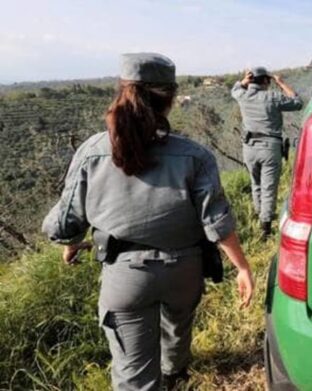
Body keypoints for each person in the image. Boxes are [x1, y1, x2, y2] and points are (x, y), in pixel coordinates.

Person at [41, 52, 255, 391]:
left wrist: (70, 242)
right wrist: (242, 267)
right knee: (178, 325)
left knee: (134, 375)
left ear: (121, 92)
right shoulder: (195, 155)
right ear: (168, 100)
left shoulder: (93, 151)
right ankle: (175, 373)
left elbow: (65, 221)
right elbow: (217, 221)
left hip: (126, 277)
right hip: (185, 268)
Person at [231, 67, 303, 239]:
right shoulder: (273, 97)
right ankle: (265, 229)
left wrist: (244, 81)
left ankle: (259, 214)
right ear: (265, 81)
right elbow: (297, 102)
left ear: (251, 80)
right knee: (268, 187)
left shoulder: (243, 96)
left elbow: (235, 89)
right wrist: (281, 83)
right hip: (270, 148)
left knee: (256, 184)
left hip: (249, 148)